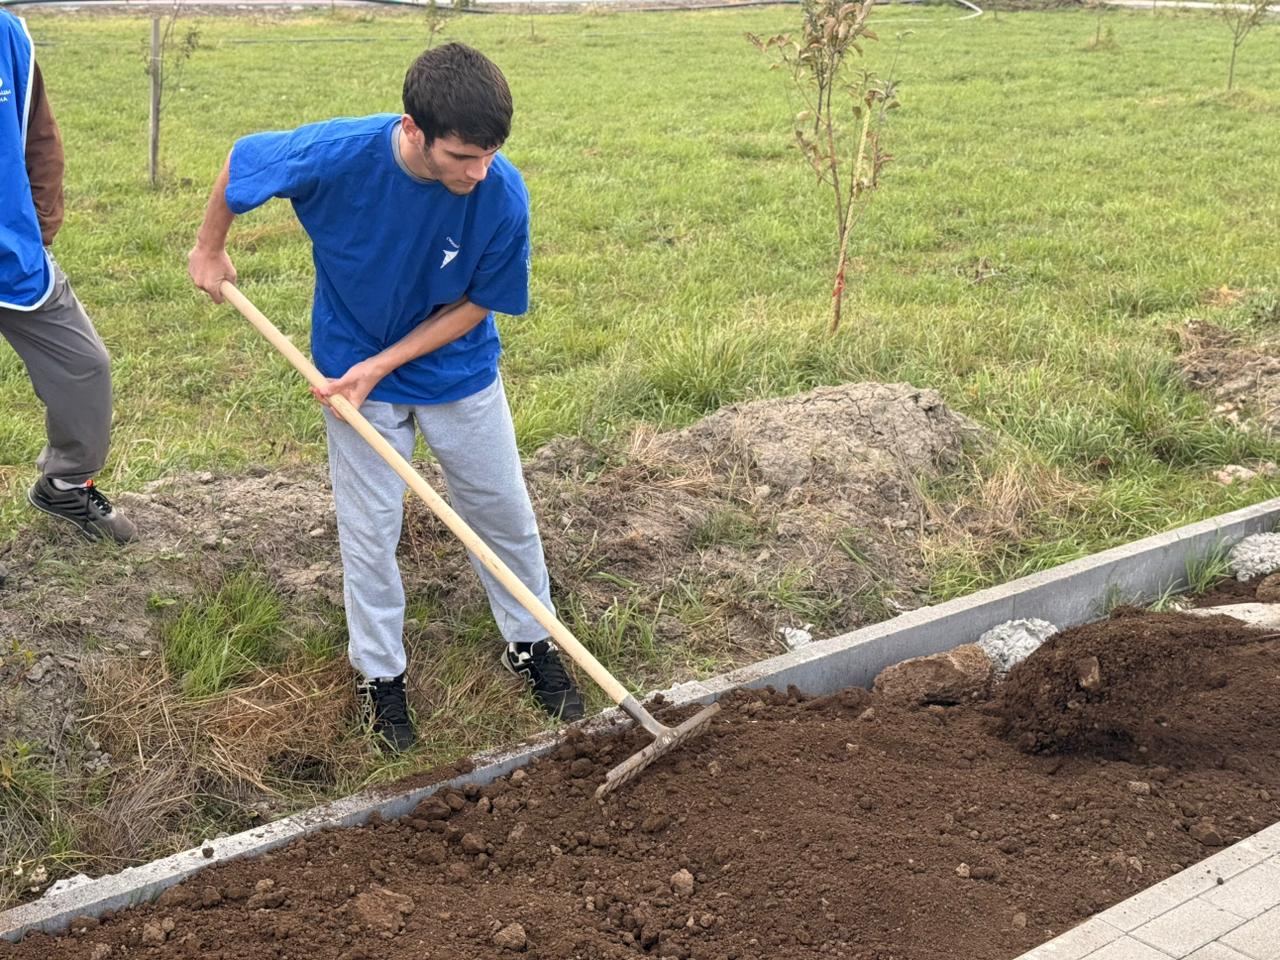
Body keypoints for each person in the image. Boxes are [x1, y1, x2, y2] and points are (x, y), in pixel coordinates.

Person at [188, 42, 584, 750]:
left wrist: (387, 363)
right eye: (462, 156)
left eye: (489, 153)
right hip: (350, 375)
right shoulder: (338, 154)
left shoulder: (501, 193)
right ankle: (381, 678)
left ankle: (532, 642)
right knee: (369, 534)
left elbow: (477, 305)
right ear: (413, 130)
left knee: (503, 515)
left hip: (456, 371)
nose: (479, 170)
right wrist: (209, 247)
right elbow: (242, 160)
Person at [0, 11, 136, 544]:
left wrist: (38, 225)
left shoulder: (9, 35)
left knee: (85, 368)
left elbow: (38, 134)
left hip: (15, 259)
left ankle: (65, 482)